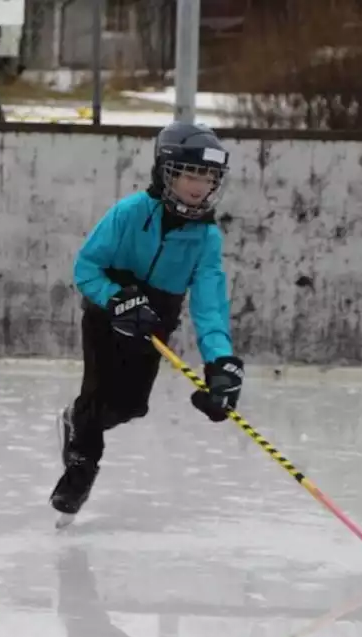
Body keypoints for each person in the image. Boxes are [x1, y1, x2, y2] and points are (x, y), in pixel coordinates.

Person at [51, 121, 243, 522]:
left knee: (131, 406)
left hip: (155, 320)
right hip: (109, 311)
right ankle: (80, 466)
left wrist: (220, 362)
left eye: (208, 177)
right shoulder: (129, 213)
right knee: (98, 392)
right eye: (190, 173)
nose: (199, 186)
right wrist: (115, 298)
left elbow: (209, 306)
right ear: (166, 172)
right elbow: (87, 267)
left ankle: (77, 421)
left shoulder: (206, 238)